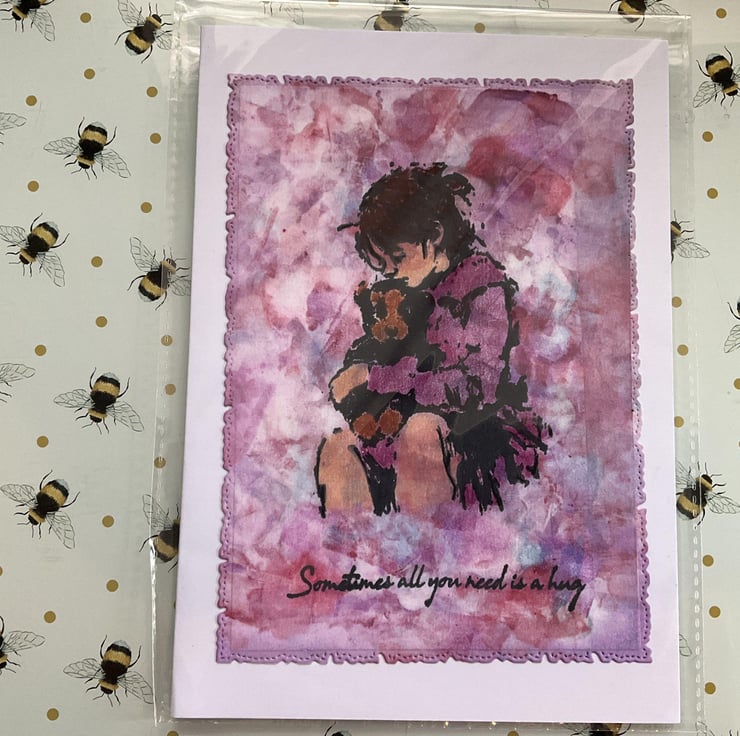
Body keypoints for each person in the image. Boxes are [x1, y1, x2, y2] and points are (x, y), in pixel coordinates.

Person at [315, 163, 550, 517]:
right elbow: (379, 353)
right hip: (395, 422)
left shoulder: (479, 285)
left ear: (435, 235)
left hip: (469, 428)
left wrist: (373, 378)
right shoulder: (401, 292)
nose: (390, 272)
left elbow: (475, 386)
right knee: (337, 449)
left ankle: (427, 540)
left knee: (422, 433)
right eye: (383, 265)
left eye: (397, 258)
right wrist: (355, 381)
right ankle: (356, 543)